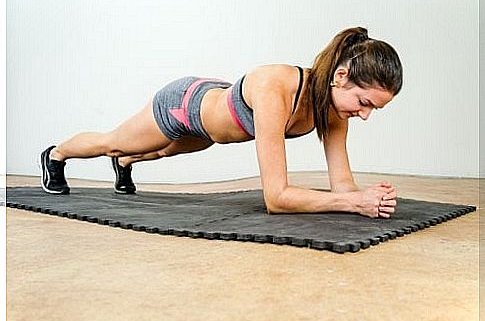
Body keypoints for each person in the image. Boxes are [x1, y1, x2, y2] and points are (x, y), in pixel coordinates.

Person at [40, 26, 402, 219]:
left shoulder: (335, 107)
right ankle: (56, 155)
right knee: (114, 141)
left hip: (211, 127)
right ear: (341, 76)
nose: (365, 114)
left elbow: (342, 183)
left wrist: (369, 198)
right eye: (365, 103)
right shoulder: (277, 88)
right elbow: (276, 198)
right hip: (183, 105)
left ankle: (125, 165)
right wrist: (353, 205)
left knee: (160, 153)